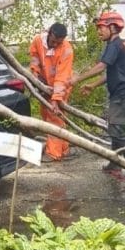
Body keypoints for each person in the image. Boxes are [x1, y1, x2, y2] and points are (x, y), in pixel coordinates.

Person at [69, 11, 125, 176]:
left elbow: (101, 67)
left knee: (118, 133)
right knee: (116, 129)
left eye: (101, 27)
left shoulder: (114, 45)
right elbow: (112, 73)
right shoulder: (122, 45)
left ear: (113, 28)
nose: (98, 31)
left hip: (123, 96)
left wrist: (77, 79)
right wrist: (93, 85)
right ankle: (114, 164)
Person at [29, 23, 75, 162]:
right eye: (53, 41)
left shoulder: (66, 50)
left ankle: (53, 153)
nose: (55, 45)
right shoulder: (38, 40)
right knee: (48, 115)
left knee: (54, 118)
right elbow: (34, 57)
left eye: (58, 43)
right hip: (45, 85)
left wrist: (56, 99)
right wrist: (35, 73)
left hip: (61, 88)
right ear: (49, 34)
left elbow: (62, 76)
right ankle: (64, 149)